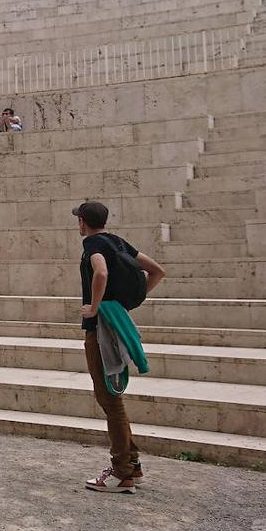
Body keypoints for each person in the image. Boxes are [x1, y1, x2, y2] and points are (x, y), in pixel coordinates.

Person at [72, 201, 166, 493]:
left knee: (110, 400)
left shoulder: (92, 245)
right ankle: (132, 464)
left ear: (83, 222)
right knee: (112, 400)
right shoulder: (117, 241)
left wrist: (95, 307)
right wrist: (127, 303)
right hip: (116, 324)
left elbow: (100, 272)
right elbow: (157, 271)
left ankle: (121, 472)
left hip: (101, 330)